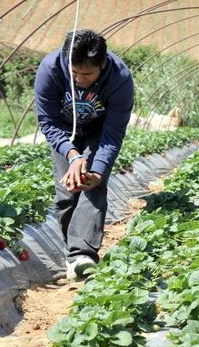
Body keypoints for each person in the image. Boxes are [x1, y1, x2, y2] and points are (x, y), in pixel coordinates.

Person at [34, 29, 134, 280]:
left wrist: (98, 169)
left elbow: (113, 133)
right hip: (64, 132)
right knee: (67, 191)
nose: (79, 79)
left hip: (99, 133)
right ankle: (73, 253)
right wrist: (72, 155)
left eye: (87, 74)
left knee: (91, 184)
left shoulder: (120, 79)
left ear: (102, 65)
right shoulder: (50, 70)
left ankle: (83, 254)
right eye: (74, 72)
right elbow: (47, 121)